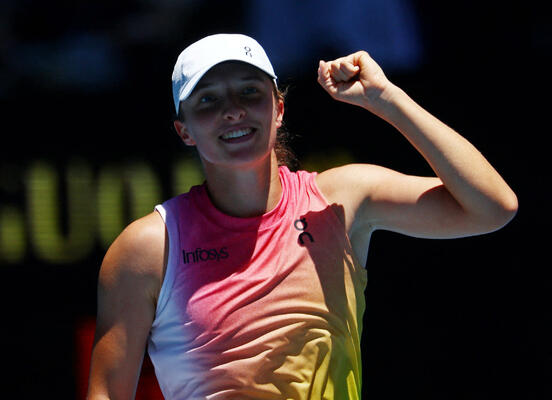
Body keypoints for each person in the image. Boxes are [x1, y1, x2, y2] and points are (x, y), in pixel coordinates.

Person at [86, 33, 517, 400]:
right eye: (208, 100)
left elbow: (493, 208)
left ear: (279, 109)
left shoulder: (341, 199)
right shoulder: (147, 248)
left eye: (249, 91)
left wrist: (387, 99)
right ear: (184, 131)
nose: (232, 110)